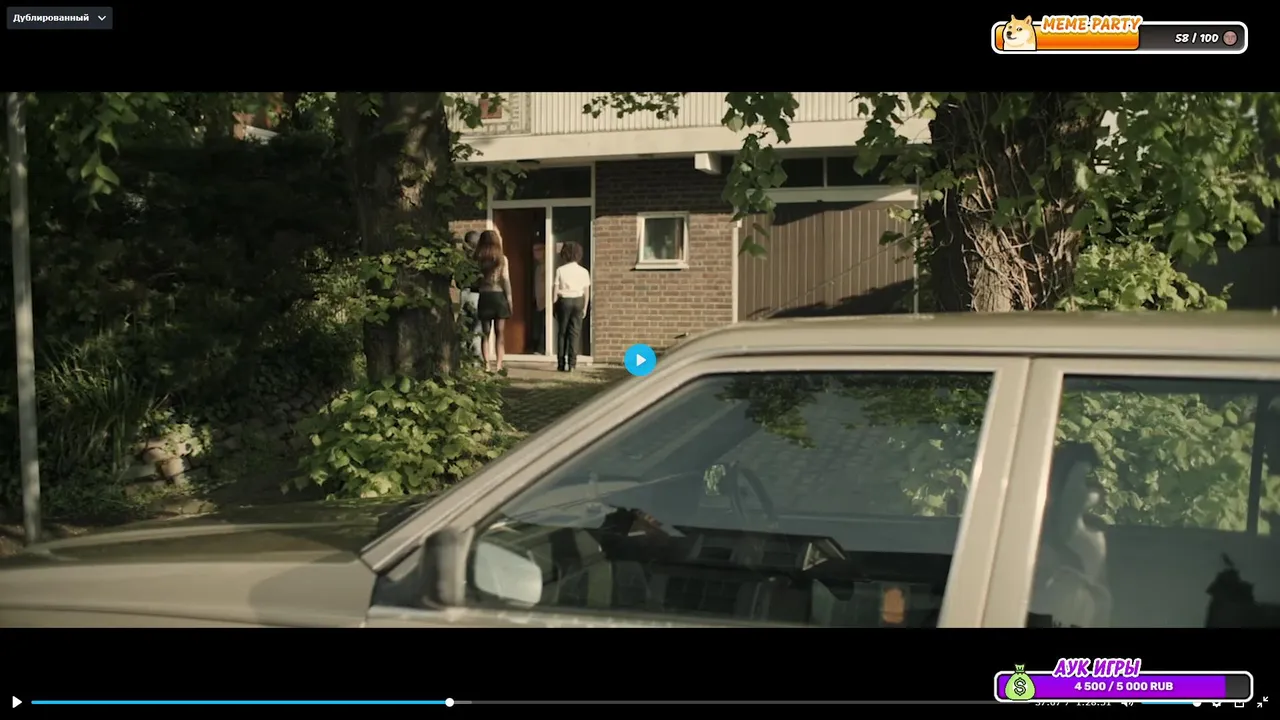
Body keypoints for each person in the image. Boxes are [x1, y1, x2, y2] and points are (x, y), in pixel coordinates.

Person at [474, 230, 512, 373]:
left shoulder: (477, 259)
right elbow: (506, 280)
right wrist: (510, 300)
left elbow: (474, 279)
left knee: (485, 333)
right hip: (498, 296)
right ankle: (499, 364)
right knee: (500, 333)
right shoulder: (502, 259)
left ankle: (487, 364)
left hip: (484, 296)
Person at [552, 241, 591, 372]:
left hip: (564, 300)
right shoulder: (584, 271)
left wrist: (554, 305)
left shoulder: (560, 270)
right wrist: (585, 307)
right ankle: (572, 364)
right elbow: (586, 291)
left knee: (562, 333)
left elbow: (555, 290)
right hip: (578, 300)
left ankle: (561, 363)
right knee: (575, 333)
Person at [459, 231, 483, 360]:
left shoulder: (462, 259)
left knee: (464, 327)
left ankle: (464, 356)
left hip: (464, 293)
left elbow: (458, 281)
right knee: (476, 329)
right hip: (476, 294)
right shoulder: (480, 260)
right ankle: (476, 357)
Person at [531, 241, 548, 354]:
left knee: (544, 325)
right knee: (539, 324)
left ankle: (542, 348)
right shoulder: (538, 268)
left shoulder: (547, 267)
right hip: (538, 301)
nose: (535, 253)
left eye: (538, 250)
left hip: (545, 301)